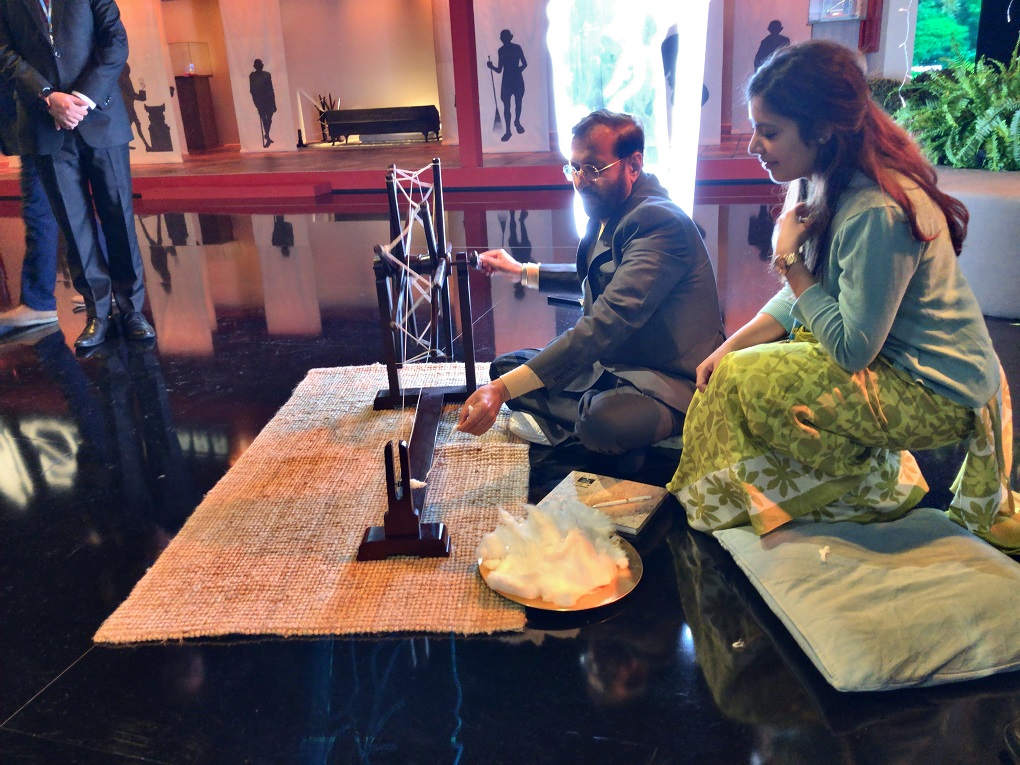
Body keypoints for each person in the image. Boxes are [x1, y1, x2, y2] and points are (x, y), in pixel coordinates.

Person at [667, 40, 1020, 552]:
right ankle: (784, 496)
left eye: (769, 131)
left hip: (939, 388)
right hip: (888, 360)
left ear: (823, 129)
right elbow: (806, 300)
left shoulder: (878, 209)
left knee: (751, 379)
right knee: (730, 372)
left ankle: (859, 490)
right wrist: (726, 348)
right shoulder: (825, 180)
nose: (753, 145)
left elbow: (853, 348)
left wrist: (788, 261)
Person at [457, 110, 724, 466]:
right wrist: (522, 271)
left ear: (633, 164)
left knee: (602, 423)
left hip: (670, 380)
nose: (581, 180)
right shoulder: (611, 207)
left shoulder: (660, 222)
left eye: (593, 169)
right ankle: (580, 416)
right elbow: (596, 276)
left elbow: (607, 319)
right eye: (574, 168)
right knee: (504, 368)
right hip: (615, 362)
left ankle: (646, 430)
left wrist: (504, 391)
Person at [0, 0, 155, 349]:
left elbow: (115, 40)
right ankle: (97, 314)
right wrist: (47, 96)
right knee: (73, 225)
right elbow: (4, 52)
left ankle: (132, 310)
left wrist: (81, 98)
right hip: (44, 123)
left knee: (118, 217)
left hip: (99, 116)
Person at [0, 75, 60, 331]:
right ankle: (102, 286)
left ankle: (39, 302)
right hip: (41, 115)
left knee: (38, 208)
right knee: (68, 207)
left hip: (36, 117)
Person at [487, 30, 527, 143]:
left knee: (517, 103)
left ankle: (517, 122)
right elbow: (500, 69)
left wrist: (517, 70)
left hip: (514, 79)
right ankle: (509, 130)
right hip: (509, 79)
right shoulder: (502, 50)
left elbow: (524, 63)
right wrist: (491, 67)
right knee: (507, 105)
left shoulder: (515, 48)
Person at [249, 59, 276, 148]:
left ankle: (267, 135)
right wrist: (256, 101)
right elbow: (252, 90)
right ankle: (267, 136)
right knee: (264, 118)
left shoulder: (267, 75)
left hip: (268, 99)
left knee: (269, 118)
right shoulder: (252, 76)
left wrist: (273, 102)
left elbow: (271, 88)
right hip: (260, 100)